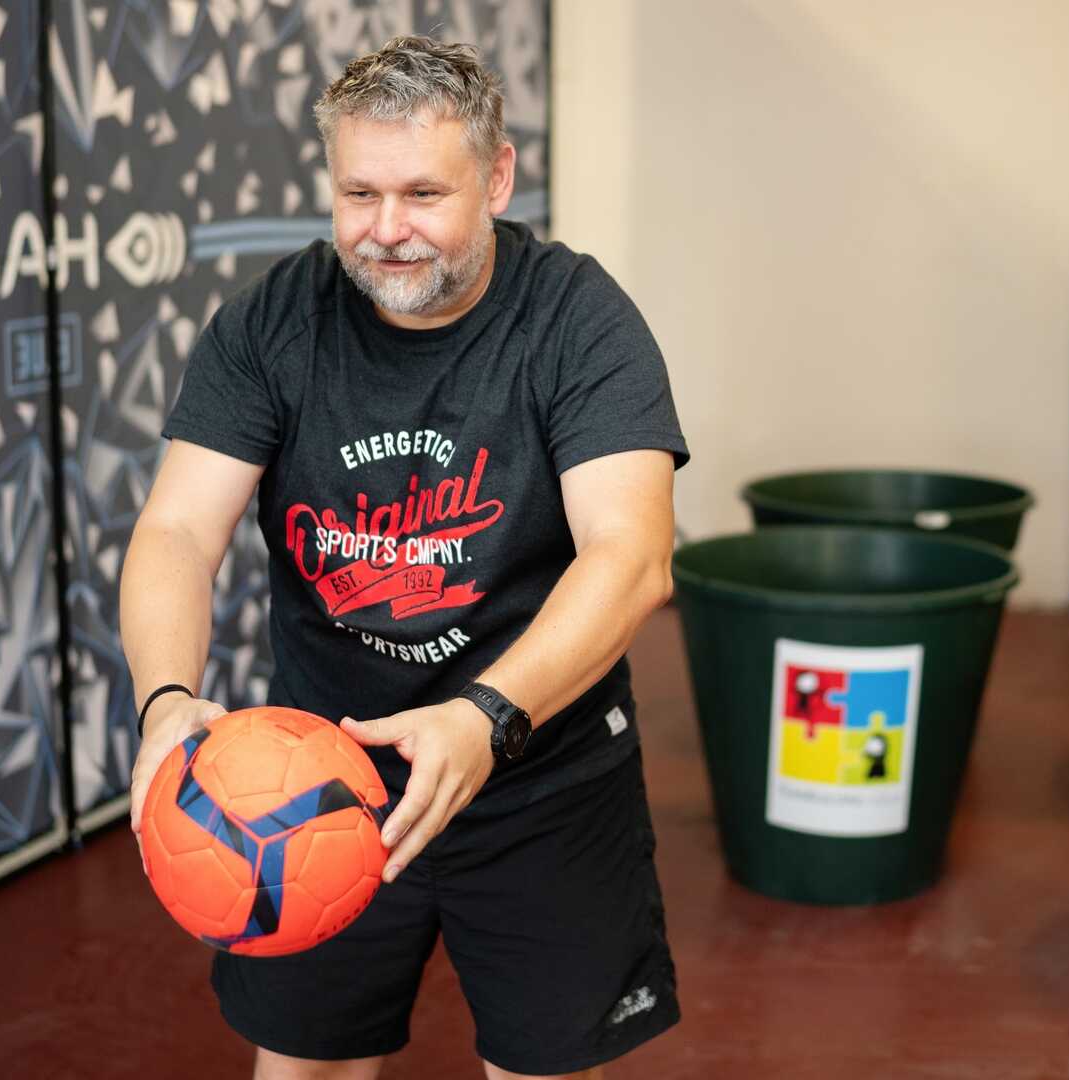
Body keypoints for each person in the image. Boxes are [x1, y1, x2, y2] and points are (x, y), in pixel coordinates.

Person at [118, 35, 687, 1080]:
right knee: (307, 1064)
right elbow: (176, 532)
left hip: (536, 774)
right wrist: (164, 702)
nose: (387, 232)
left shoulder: (578, 321)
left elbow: (633, 552)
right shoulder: (271, 325)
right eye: (359, 194)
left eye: (425, 193)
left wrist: (489, 716)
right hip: (313, 783)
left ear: (499, 176)